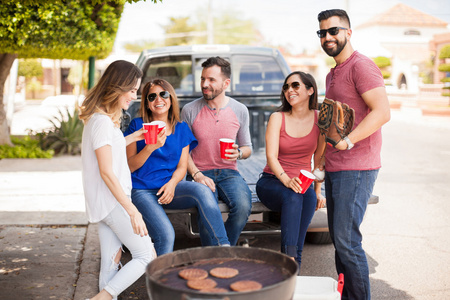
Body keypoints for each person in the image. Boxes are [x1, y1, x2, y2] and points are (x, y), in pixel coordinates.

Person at [317, 9, 391, 300]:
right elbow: (327, 119)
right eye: (322, 32)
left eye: (333, 31)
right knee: (339, 239)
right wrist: (320, 157)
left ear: (348, 32)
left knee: (347, 241)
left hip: (357, 166)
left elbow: (382, 112)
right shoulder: (332, 73)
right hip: (336, 166)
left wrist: (347, 141)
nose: (328, 37)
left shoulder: (362, 66)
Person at [124, 78, 230, 256]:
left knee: (204, 190)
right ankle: (159, 281)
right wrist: (150, 148)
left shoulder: (181, 129)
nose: (158, 100)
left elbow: (182, 167)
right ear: (147, 103)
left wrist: (173, 184)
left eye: (163, 94)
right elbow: (129, 167)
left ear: (171, 98)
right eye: (152, 97)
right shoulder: (137, 126)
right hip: (142, 190)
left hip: (170, 187)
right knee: (166, 235)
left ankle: (223, 248)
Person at [79, 60, 156, 300]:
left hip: (106, 202)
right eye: (132, 90)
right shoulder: (102, 122)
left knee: (111, 263)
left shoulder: (100, 119)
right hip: (113, 201)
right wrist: (132, 210)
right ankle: (101, 298)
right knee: (146, 256)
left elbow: (108, 149)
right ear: (117, 86)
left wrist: (134, 136)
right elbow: (106, 171)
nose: (135, 96)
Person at [255, 71, 326, 271]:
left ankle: (291, 272)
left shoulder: (320, 120)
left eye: (295, 86)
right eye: (286, 87)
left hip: (301, 185)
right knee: (294, 197)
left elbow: (319, 159)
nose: (289, 90)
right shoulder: (278, 118)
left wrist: (318, 190)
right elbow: (271, 157)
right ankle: (288, 258)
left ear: (310, 90)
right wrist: (286, 180)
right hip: (272, 181)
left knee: (309, 198)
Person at [181, 56, 252, 246]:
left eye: (211, 80)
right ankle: (219, 255)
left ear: (226, 83)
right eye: (203, 79)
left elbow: (247, 148)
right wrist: (196, 175)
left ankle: (220, 250)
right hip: (200, 172)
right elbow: (183, 152)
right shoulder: (189, 110)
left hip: (229, 173)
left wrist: (238, 153)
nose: (205, 84)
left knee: (244, 206)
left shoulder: (240, 110)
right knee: (208, 211)